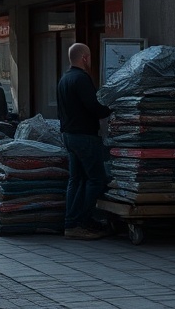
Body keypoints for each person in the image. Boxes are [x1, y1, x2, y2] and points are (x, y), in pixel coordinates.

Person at [57, 42, 112, 239]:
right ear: (85, 58)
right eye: (89, 57)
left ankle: (70, 223)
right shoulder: (82, 79)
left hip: (69, 136)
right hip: (85, 137)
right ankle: (82, 221)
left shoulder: (64, 79)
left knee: (76, 179)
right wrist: (109, 110)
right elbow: (92, 105)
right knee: (96, 179)